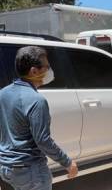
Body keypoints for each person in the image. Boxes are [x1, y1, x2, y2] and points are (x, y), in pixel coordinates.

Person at [0, 46, 78, 190]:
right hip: (30, 171)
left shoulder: (3, 93)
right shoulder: (36, 101)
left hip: (6, 168)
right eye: (46, 67)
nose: (49, 71)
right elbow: (43, 140)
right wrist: (67, 162)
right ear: (34, 71)